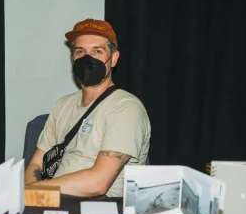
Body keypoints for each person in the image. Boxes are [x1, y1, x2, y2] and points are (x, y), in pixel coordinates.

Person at [24, 18, 151, 197]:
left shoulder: (126, 108)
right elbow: (36, 165)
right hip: (51, 202)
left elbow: (98, 183)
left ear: (113, 59)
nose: (87, 58)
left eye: (97, 51)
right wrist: (33, 199)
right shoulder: (63, 105)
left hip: (99, 211)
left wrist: (33, 191)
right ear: (72, 58)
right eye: (80, 51)